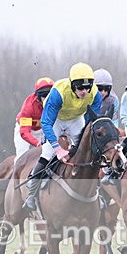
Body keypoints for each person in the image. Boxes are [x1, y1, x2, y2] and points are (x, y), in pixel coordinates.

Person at [23, 62, 102, 211]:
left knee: (88, 151)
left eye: (87, 87)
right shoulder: (58, 92)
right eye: (80, 87)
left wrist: (80, 142)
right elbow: (46, 123)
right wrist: (58, 149)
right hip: (56, 120)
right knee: (48, 153)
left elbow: (92, 120)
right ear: (72, 85)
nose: (84, 91)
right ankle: (31, 196)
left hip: (76, 120)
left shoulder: (95, 93)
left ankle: (99, 194)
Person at [14, 77, 54, 160]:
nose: (48, 99)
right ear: (38, 96)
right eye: (44, 96)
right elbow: (24, 132)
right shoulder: (29, 107)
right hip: (26, 130)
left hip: (43, 129)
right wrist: (38, 144)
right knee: (21, 157)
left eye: (50, 95)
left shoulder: (56, 103)